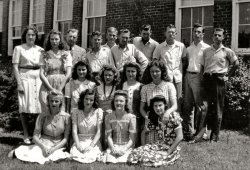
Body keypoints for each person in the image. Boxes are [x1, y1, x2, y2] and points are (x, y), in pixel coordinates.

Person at [9, 93, 71, 164]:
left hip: (58, 145)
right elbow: (35, 136)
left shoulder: (66, 117)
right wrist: (43, 147)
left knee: (58, 155)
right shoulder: (42, 116)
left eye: (56, 101)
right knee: (36, 154)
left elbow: (65, 139)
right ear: (48, 101)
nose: (53, 103)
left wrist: (53, 149)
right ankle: (16, 150)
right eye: (51, 101)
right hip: (44, 143)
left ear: (60, 102)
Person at [201, 28, 239, 142]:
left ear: (223, 37)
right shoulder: (206, 51)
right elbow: (203, 66)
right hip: (207, 79)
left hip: (219, 80)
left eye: (219, 35)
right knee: (205, 107)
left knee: (218, 108)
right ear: (212, 37)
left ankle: (214, 136)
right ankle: (201, 133)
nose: (217, 37)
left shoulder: (227, 51)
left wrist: (228, 76)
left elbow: (236, 63)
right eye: (215, 35)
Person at [128, 95, 183, 167]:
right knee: (135, 152)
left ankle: (151, 160)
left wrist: (168, 152)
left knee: (146, 157)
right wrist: (144, 146)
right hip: (159, 145)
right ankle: (146, 159)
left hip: (171, 148)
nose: (158, 108)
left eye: (160, 105)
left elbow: (180, 136)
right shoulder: (157, 118)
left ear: (165, 105)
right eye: (155, 106)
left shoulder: (173, 116)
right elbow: (144, 132)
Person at [12, 26, 43, 144]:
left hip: (38, 78)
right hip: (25, 78)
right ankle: (25, 134)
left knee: (38, 107)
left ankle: (36, 134)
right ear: (25, 36)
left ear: (36, 37)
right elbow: (15, 67)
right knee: (24, 106)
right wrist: (19, 83)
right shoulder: (19, 48)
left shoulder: (40, 50)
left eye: (33, 35)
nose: (31, 37)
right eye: (28, 35)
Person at [182, 23, 210, 141]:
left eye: (199, 32)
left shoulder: (207, 48)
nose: (196, 34)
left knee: (200, 106)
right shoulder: (188, 48)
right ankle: (189, 131)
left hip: (199, 77)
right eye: (195, 31)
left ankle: (200, 133)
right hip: (188, 76)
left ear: (203, 34)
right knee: (188, 105)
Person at [140, 60, 177, 145]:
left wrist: (167, 113)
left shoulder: (169, 86)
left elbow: (175, 105)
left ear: (162, 72)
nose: (154, 74)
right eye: (152, 71)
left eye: (157, 71)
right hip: (151, 119)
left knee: (164, 145)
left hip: (165, 118)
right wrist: (147, 118)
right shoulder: (145, 88)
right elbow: (141, 108)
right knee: (150, 146)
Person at [153, 24, 188, 112]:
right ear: (165, 33)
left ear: (176, 34)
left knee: (178, 100)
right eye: (169, 32)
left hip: (177, 78)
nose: (171, 34)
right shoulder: (159, 47)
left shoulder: (181, 46)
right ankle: (165, 121)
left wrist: (180, 71)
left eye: (173, 32)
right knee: (165, 99)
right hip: (165, 78)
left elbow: (185, 61)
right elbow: (155, 62)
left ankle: (176, 121)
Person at [39, 29, 72, 113]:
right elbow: (41, 74)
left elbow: (68, 74)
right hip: (48, 83)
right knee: (46, 107)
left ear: (60, 40)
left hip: (63, 83)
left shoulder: (66, 54)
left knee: (61, 108)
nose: (54, 41)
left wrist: (59, 89)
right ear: (49, 40)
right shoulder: (44, 54)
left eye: (56, 39)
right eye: (52, 39)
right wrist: (51, 89)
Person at [101, 90, 136, 163]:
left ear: (125, 102)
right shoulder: (108, 117)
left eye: (121, 101)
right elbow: (109, 136)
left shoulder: (131, 117)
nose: (118, 103)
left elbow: (132, 139)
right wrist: (112, 148)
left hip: (126, 145)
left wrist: (124, 149)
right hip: (114, 145)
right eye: (116, 101)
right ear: (113, 102)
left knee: (122, 160)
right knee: (110, 160)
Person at [70, 89, 103, 163]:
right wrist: (78, 145)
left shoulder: (98, 112)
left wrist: (91, 146)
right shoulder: (76, 112)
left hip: (93, 140)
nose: (88, 102)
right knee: (77, 154)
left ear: (94, 101)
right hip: (80, 140)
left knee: (91, 155)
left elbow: (99, 132)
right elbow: (74, 131)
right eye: (86, 99)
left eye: (91, 100)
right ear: (82, 99)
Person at [117, 62, 143, 146]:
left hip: (137, 118)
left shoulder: (141, 86)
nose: (130, 73)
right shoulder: (121, 85)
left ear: (137, 72)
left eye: (133, 71)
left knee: (135, 140)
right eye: (128, 71)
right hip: (122, 116)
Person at [97, 65, 120, 149]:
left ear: (114, 76)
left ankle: (110, 148)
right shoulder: (97, 88)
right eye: (105, 75)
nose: (107, 77)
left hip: (112, 115)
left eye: (110, 75)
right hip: (99, 116)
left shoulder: (117, 88)